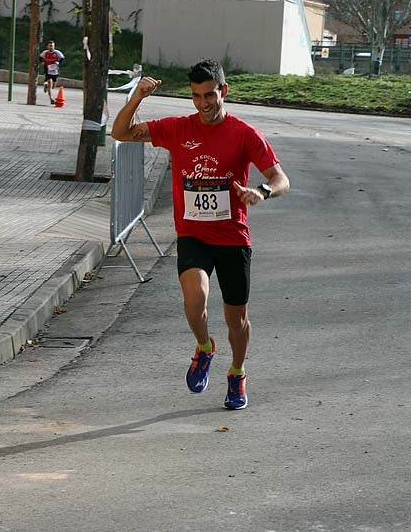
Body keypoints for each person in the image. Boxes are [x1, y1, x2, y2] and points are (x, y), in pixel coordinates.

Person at [110, 58, 290, 410]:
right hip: (193, 234)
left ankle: (237, 372)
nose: (203, 103)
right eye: (196, 96)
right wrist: (137, 98)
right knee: (195, 298)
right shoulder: (178, 128)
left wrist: (262, 192)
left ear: (223, 91)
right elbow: (121, 132)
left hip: (234, 237)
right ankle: (205, 348)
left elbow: (281, 179)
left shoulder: (244, 134)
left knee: (237, 320)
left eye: (210, 95)